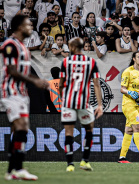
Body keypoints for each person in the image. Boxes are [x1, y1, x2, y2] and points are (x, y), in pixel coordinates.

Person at [1, 14, 49, 181]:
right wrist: (35, 82)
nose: (31, 28)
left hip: (22, 93)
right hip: (11, 91)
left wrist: (36, 82)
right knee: (21, 127)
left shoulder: (23, 47)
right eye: (29, 25)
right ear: (20, 27)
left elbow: (24, 71)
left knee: (19, 130)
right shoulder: (10, 44)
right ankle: (19, 168)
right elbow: (13, 71)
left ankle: (11, 170)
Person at [59, 37, 103, 171]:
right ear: (83, 47)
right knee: (89, 130)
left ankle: (70, 165)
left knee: (68, 133)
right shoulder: (91, 61)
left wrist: (63, 98)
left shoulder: (66, 62)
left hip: (69, 102)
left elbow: (61, 84)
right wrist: (100, 105)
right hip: (84, 102)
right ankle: (85, 161)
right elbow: (96, 84)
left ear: (72, 47)